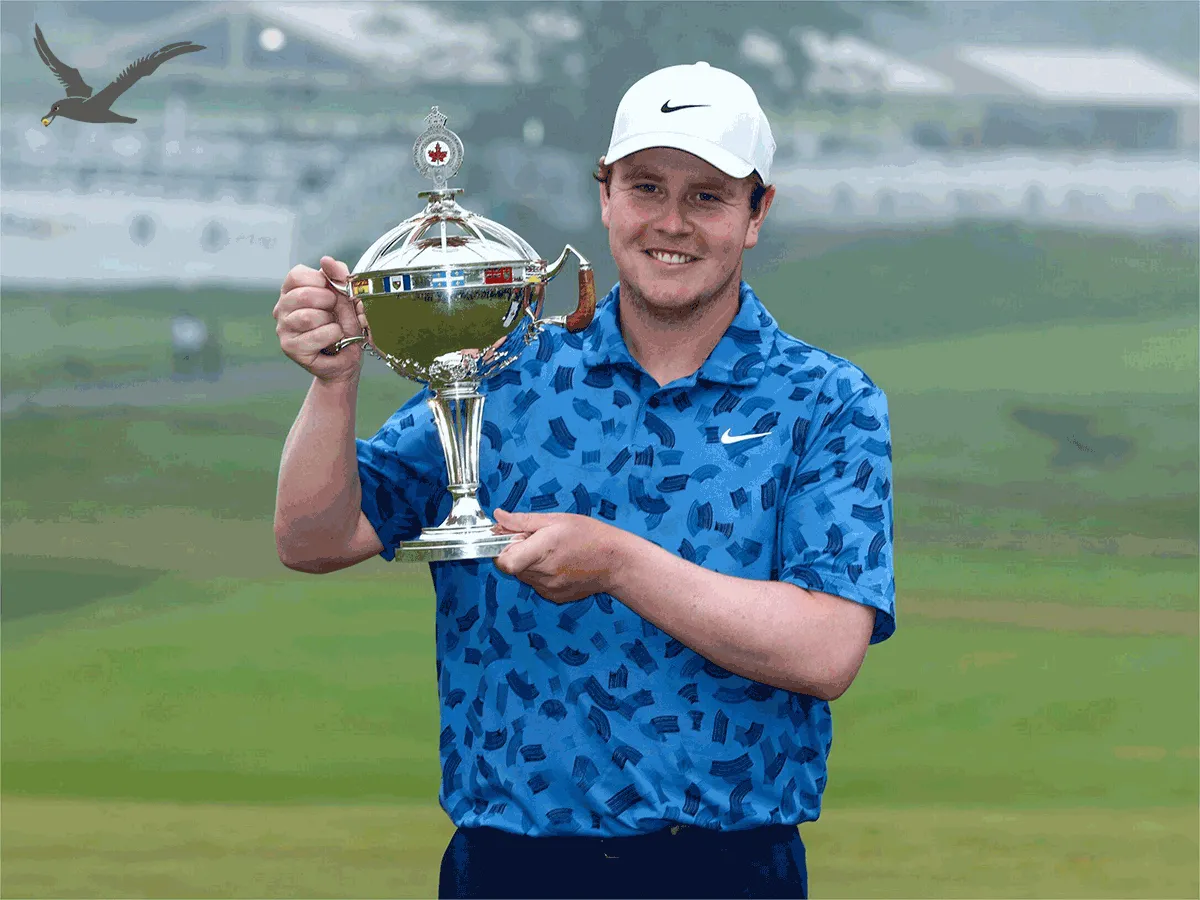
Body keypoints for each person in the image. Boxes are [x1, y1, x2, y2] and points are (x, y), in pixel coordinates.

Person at [273, 61, 895, 900]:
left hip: (729, 866)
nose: (671, 223)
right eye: (646, 188)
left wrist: (618, 565)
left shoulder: (826, 399)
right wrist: (333, 382)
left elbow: (825, 650)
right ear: (604, 196)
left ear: (758, 213)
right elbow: (313, 539)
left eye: (707, 196)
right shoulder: (501, 366)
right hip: (509, 865)